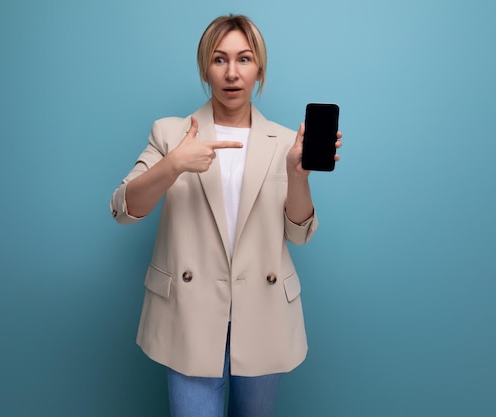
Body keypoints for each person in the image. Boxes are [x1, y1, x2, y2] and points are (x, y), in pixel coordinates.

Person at [110, 14, 342, 417]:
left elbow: (299, 234)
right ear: (205, 68)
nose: (232, 73)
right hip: (191, 314)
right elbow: (124, 209)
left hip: (263, 312)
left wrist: (296, 175)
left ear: (260, 71)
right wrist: (174, 165)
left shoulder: (285, 142)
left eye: (244, 59)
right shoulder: (171, 133)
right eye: (220, 60)